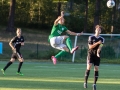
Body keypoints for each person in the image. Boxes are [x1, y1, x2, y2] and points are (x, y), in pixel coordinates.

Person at [83, 25, 105, 90]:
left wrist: (98, 53)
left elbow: (100, 47)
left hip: (97, 55)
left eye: (99, 30)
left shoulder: (102, 39)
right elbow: (90, 47)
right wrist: (97, 43)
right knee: (89, 66)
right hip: (90, 54)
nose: (98, 31)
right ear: (95, 30)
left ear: (100, 31)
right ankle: (85, 82)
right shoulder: (91, 37)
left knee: (96, 68)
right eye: (97, 29)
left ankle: (94, 84)